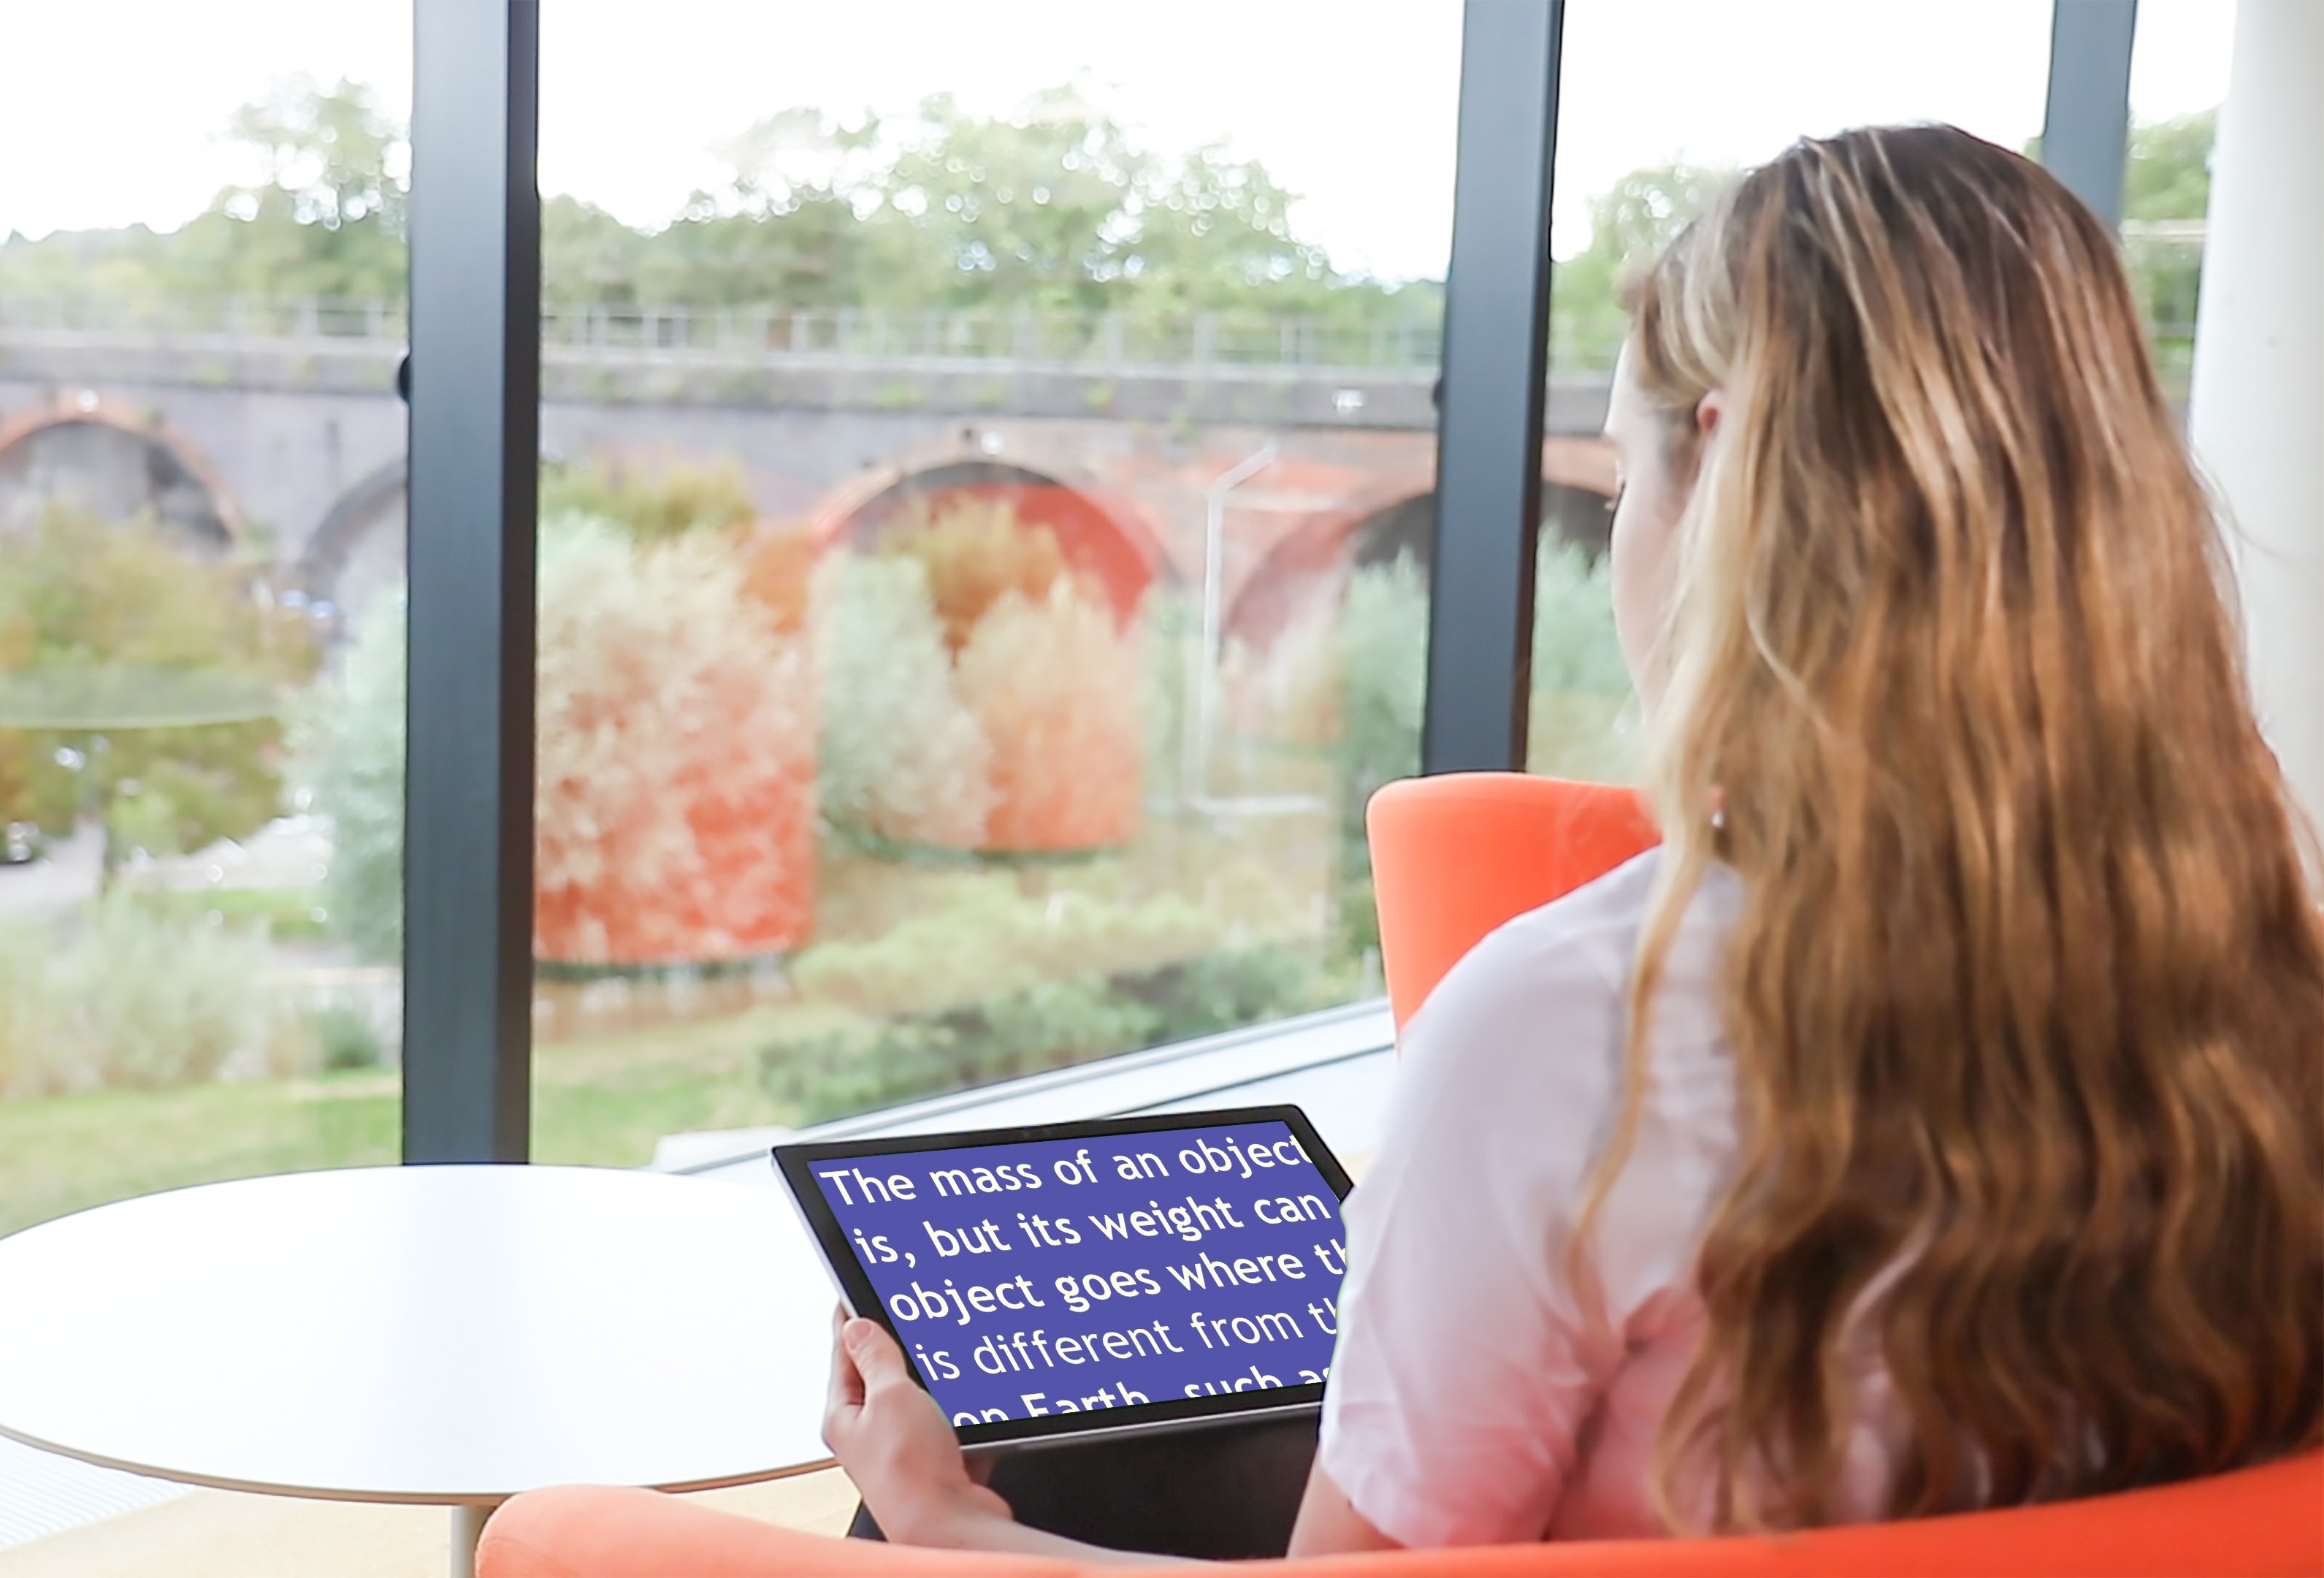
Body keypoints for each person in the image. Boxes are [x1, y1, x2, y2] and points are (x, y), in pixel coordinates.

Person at [821, 123, 2324, 1563]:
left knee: (961, 1490)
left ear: (1727, 472)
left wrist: (955, 1531)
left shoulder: (1576, 1027)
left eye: (1625, 474)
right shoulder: (2263, 954)